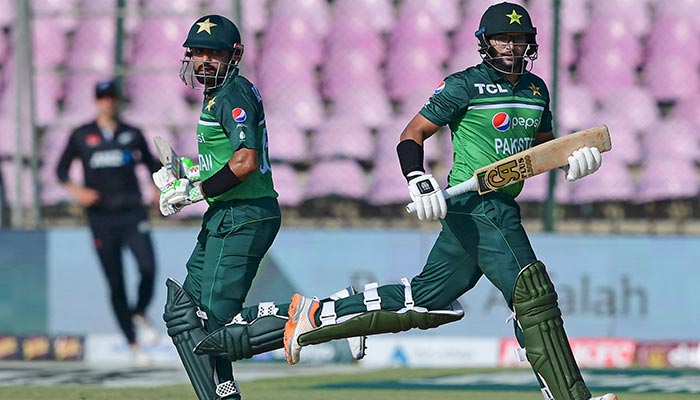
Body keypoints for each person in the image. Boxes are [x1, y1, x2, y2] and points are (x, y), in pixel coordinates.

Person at [282, 3, 616, 400]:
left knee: (427, 299)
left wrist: (572, 162)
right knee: (532, 291)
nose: (512, 46)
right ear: (485, 42)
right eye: (504, 38)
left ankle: (319, 317)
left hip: (501, 203)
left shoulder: (536, 89)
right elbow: (412, 134)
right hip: (475, 203)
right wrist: (417, 178)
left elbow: (540, 150)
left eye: (520, 38)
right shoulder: (464, 85)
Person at [154, 15, 364, 400]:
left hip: (242, 214)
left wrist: (195, 191)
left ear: (234, 55)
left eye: (212, 53)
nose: (202, 61)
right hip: (227, 214)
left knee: (214, 330)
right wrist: (187, 173)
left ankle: (337, 315)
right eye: (197, 52)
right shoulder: (218, 95)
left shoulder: (232, 94)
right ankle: (222, 393)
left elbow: (245, 161)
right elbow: (225, 161)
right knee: (185, 317)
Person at [56, 79, 161, 366]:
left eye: (113, 97)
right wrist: (78, 191)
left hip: (132, 212)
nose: (108, 102)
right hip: (101, 218)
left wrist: (156, 186)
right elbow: (61, 169)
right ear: (96, 101)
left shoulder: (132, 133)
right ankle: (133, 343)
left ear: (118, 101)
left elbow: (153, 165)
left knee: (148, 268)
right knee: (116, 283)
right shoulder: (82, 135)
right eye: (103, 98)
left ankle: (139, 311)